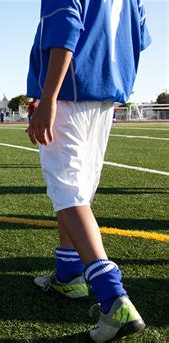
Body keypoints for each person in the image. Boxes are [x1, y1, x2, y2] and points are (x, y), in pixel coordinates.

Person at [26, 1, 151, 342]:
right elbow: (139, 35)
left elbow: (65, 25)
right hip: (103, 93)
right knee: (78, 190)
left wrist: (48, 96)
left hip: (70, 90)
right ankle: (68, 274)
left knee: (67, 192)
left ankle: (113, 298)